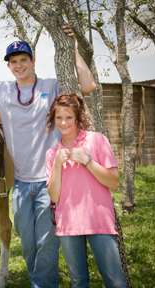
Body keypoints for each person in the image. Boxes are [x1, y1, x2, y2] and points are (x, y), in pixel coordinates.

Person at [0, 24, 96, 287]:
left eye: (23, 60)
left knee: (47, 245)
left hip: (51, 181)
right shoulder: (1, 91)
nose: (19, 65)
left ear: (33, 61)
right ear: (9, 66)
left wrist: (72, 48)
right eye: (13, 62)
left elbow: (88, 85)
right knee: (28, 247)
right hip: (21, 185)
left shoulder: (52, 86)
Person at [45, 93, 127, 287]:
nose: (63, 123)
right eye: (58, 118)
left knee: (116, 282)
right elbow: (54, 196)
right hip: (68, 226)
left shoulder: (97, 140)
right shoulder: (52, 153)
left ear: (78, 117)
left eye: (68, 118)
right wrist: (57, 165)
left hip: (99, 221)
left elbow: (114, 182)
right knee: (78, 282)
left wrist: (87, 161)